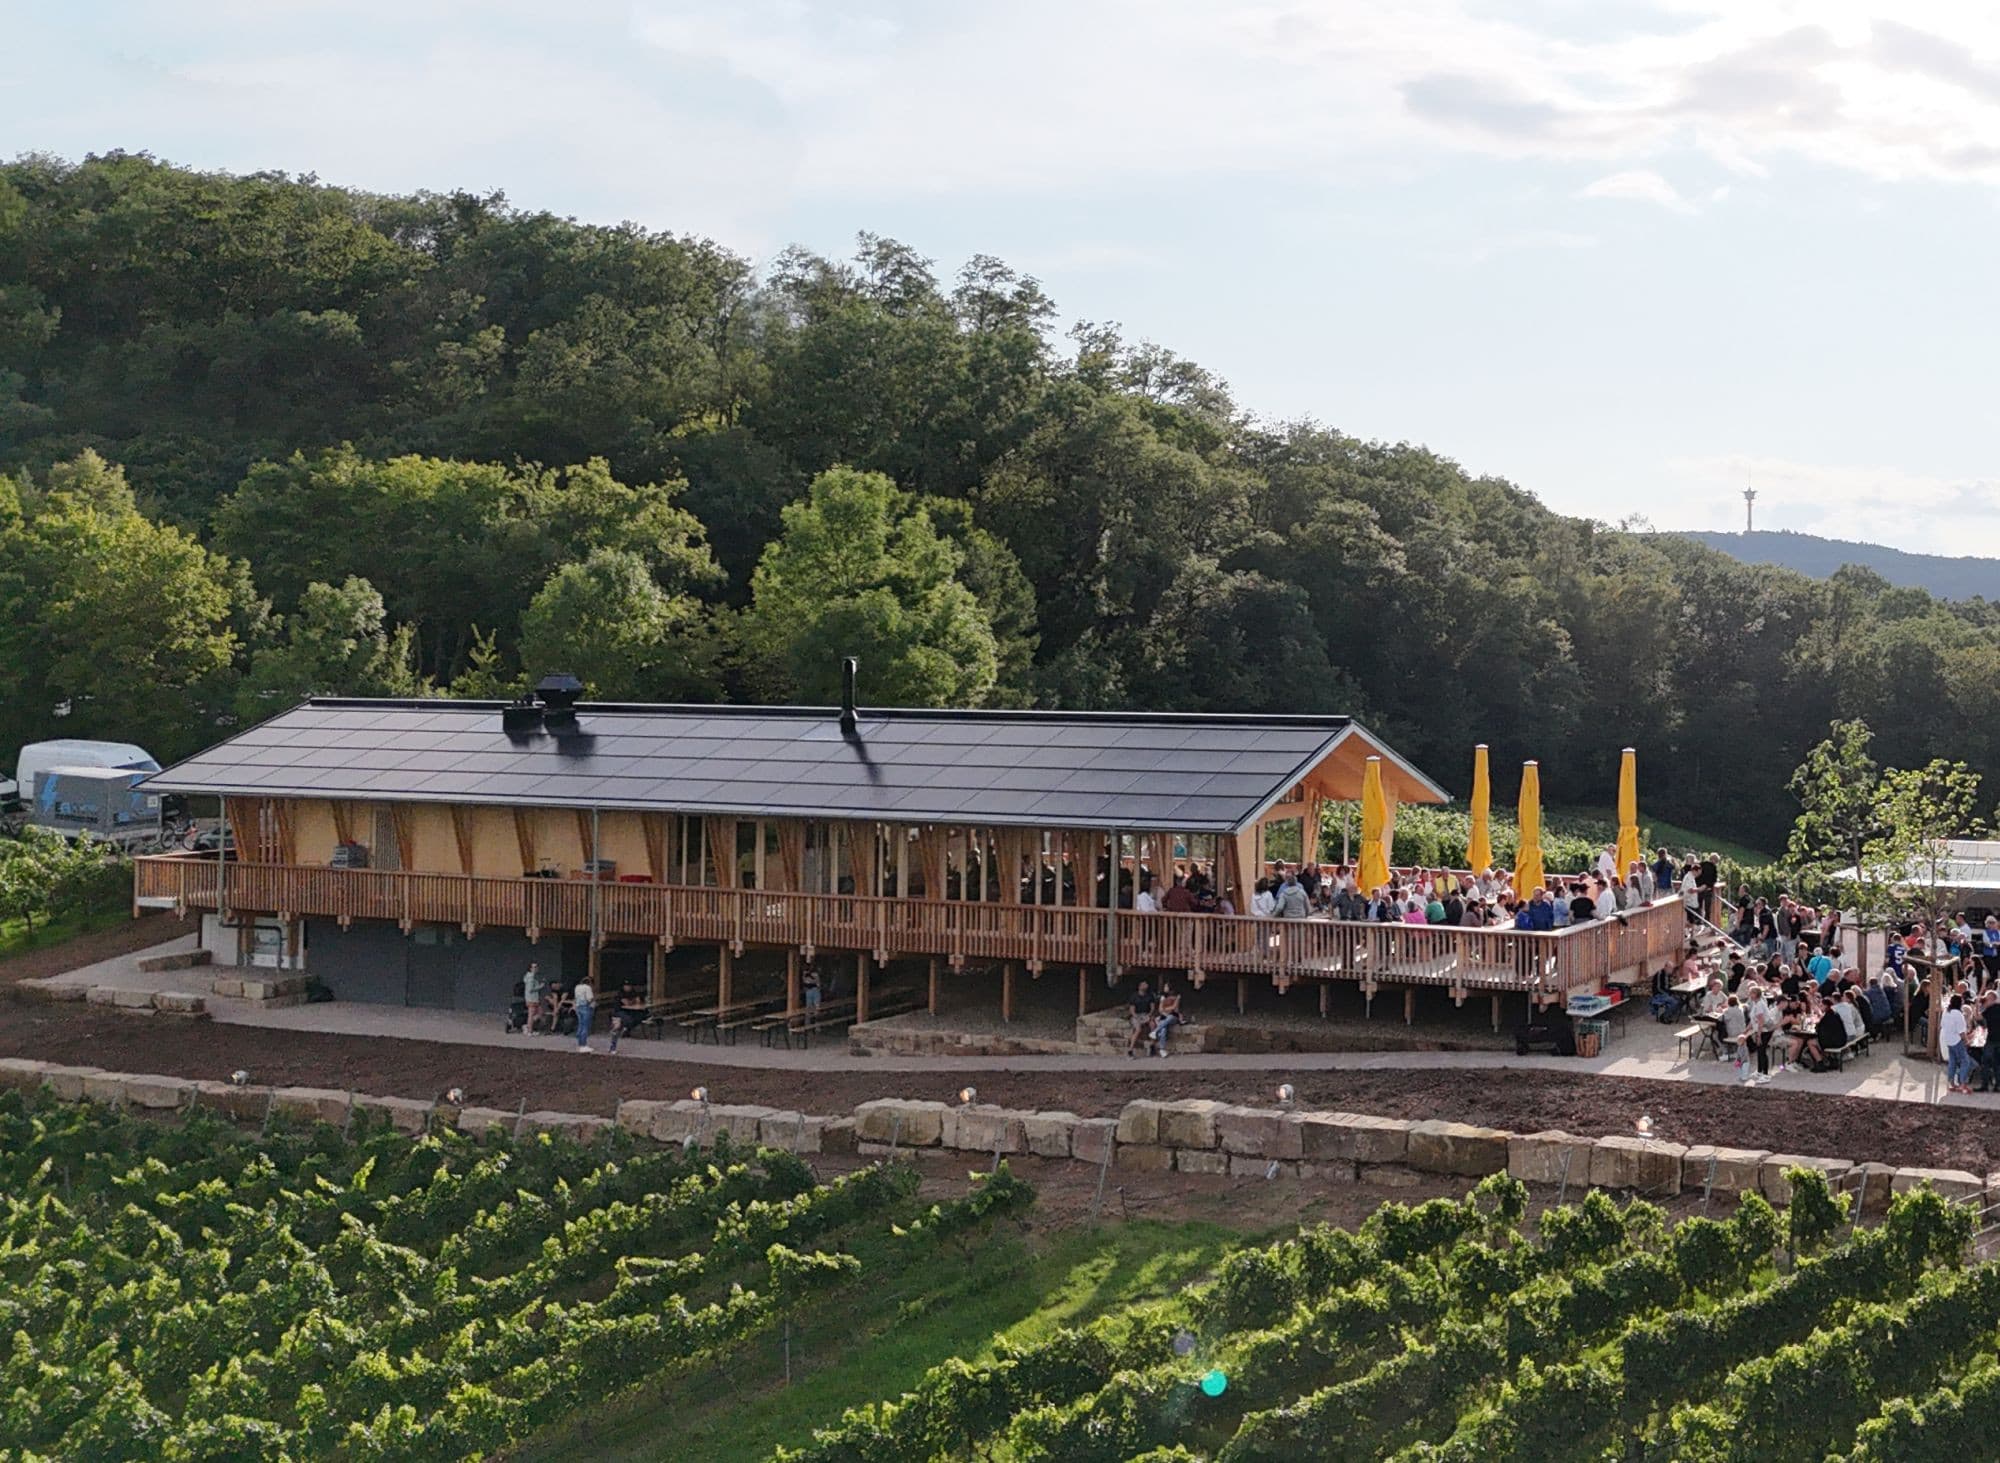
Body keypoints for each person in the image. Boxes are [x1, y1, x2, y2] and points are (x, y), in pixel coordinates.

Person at [1942, 993, 1973, 1092]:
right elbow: (1961, 1032)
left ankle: (1951, 1082)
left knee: (1953, 1061)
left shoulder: (1946, 1012)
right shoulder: (1958, 1014)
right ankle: (1962, 1083)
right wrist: (1967, 1041)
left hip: (1948, 1039)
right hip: (1957, 1040)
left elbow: (1942, 1025)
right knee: (1965, 1061)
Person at [607, 983, 646, 1052]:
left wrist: (633, 1000)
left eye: (629, 986)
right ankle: (613, 1045)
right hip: (618, 1011)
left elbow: (638, 1001)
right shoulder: (620, 993)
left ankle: (626, 1029)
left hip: (629, 1010)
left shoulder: (633, 992)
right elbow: (627, 1003)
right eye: (626, 986)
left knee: (640, 1016)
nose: (627, 987)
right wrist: (633, 1001)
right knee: (627, 1020)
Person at [1127, 981, 1158, 1057]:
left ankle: (1152, 1046)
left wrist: (1149, 1015)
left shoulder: (1150, 996)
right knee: (1138, 1029)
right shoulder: (1134, 996)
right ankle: (1130, 1049)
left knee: (1153, 1025)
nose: (1145, 986)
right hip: (1136, 1015)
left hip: (1146, 1014)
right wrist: (1137, 1017)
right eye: (1143, 985)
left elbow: (1152, 1008)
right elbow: (1132, 1010)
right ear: (1139, 987)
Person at [1153, 986, 1182, 1058]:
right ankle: (1162, 1049)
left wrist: (1165, 1009)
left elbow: (1174, 1009)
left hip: (1173, 1017)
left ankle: (1155, 1031)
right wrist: (1166, 1009)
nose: (1165, 988)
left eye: (1166, 987)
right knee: (1163, 1029)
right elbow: (1160, 1010)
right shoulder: (1163, 998)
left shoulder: (1177, 997)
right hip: (1164, 1017)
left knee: (1170, 1017)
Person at [572, 975, 596, 1052]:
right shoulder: (587, 988)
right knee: (585, 1026)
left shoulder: (577, 987)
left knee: (580, 1025)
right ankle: (583, 1045)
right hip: (586, 1007)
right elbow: (590, 998)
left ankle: (579, 1043)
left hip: (578, 1007)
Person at [522, 961, 544, 1033]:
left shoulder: (530, 976)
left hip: (533, 998)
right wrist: (540, 986)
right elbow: (530, 989)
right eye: (534, 967)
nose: (536, 968)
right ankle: (529, 1030)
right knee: (531, 1014)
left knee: (540, 1012)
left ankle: (528, 1026)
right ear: (530, 968)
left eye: (536, 967)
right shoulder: (531, 977)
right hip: (532, 998)